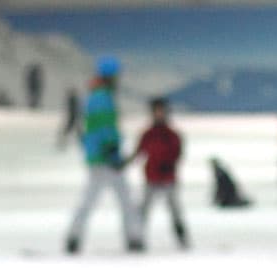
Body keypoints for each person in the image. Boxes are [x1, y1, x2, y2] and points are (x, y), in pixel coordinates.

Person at [65, 56, 143, 254]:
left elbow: (91, 130)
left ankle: (74, 237)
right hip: (106, 159)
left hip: (98, 158)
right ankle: (134, 239)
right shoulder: (102, 98)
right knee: (124, 200)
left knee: (90, 200)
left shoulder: (96, 96)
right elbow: (104, 129)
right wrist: (112, 153)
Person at [129, 98, 188, 249]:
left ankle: (182, 239)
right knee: (144, 210)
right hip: (152, 178)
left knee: (175, 210)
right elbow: (138, 153)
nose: (159, 114)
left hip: (168, 178)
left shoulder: (172, 135)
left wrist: (169, 166)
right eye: (157, 111)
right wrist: (122, 164)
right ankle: (138, 238)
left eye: (161, 110)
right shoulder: (148, 134)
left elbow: (178, 153)